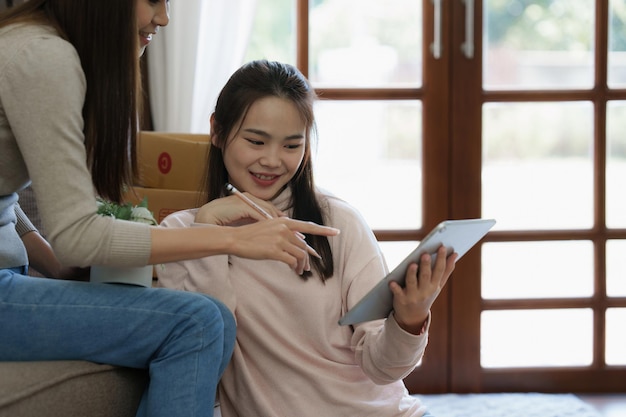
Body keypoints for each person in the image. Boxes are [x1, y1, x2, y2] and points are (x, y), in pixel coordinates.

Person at [0, 2, 338, 416]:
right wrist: (232, 238)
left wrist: (52, 263)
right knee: (197, 323)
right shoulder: (44, 57)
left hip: (11, 277)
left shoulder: (25, 42)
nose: (163, 18)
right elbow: (79, 238)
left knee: (202, 317)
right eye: (153, 1)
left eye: (291, 144)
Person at [156, 59, 458, 417]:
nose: (272, 160)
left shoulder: (338, 221)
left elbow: (383, 369)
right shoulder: (179, 234)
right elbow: (208, 357)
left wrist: (409, 321)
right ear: (218, 132)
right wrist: (210, 230)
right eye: (256, 141)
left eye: (291, 146)